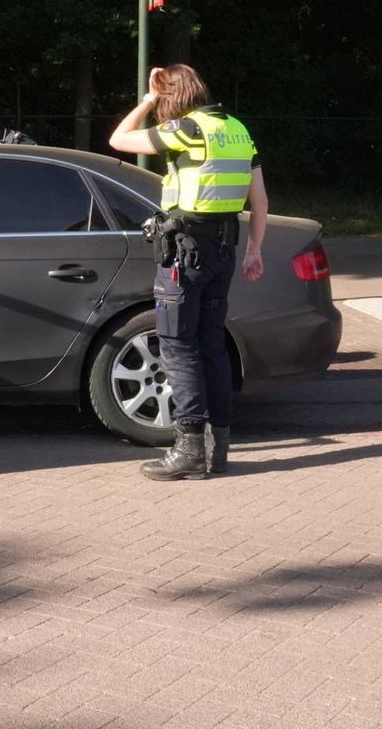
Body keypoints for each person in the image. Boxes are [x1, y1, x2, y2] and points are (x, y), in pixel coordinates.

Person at [109, 64, 268, 481]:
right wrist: (254, 250)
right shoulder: (237, 129)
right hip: (223, 251)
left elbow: (118, 139)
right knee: (212, 346)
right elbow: (260, 200)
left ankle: (189, 449)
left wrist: (147, 100)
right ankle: (219, 448)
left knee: (177, 347)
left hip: (185, 254)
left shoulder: (188, 129)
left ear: (172, 96)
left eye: (164, 98)